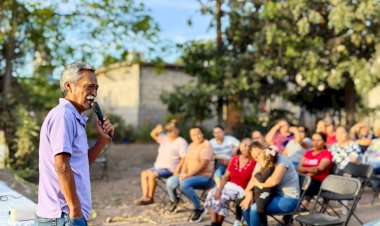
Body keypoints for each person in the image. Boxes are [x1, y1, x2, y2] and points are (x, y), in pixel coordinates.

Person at [35, 62, 115, 226]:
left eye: (96, 88)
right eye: (89, 87)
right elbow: (62, 166)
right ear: (69, 86)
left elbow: (80, 164)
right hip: (63, 216)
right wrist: (75, 211)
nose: (94, 93)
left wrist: (102, 140)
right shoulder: (64, 116)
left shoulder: (73, 116)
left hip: (66, 216)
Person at [241, 142, 300, 226]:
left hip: (288, 198)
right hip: (270, 195)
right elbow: (251, 181)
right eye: (256, 157)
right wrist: (249, 195)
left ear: (266, 149)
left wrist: (255, 184)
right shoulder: (260, 163)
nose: (259, 158)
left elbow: (273, 182)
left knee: (254, 208)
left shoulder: (281, 161)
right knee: (245, 206)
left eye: (259, 153)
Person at [166, 126, 215, 223]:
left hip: (205, 177)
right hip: (190, 176)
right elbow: (186, 161)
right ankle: (176, 201)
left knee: (185, 184)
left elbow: (202, 164)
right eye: (193, 135)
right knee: (170, 182)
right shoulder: (192, 145)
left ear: (203, 134)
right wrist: (183, 173)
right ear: (190, 136)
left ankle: (199, 208)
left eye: (198, 133)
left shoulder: (207, 145)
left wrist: (188, 175)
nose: (196, 136)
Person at [134, 120, 188, 205]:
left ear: (177, 130)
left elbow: (184, 158)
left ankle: (150, 198)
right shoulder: (165, 138)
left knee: (152, 175)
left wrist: (178, 169)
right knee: (144, 174)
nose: (169, 132)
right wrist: (157, 130)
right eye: (168, 130)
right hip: (158, 166)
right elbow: (153, 134)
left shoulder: (181, 142)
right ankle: (145, 196)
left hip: (170, 168)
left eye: (172, 130)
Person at [205, 138, 256, 226]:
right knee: (212, 193)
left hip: (242, 189)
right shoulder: (234, 159)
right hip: (229, 186)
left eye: (249, 146)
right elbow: (225, 176)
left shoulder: (254, 161)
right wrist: (219, 189)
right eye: (244, 145)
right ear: (240, 146)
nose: (247, 148)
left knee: (222, 198)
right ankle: (214, 223)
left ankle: (218, 224)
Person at [297, 132, 333, 208]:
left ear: (324, 141)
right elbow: (298, 168)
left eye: (318, 140)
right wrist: (309, 171)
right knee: (298, 184)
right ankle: (302, 205)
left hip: (320, 183)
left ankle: (300, 206)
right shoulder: (308, 153)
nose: (315, 143)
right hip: (306, 180)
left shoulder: (327, 153)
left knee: (303, 186)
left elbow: (318, 170)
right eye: (313, 140)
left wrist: (305, 171)